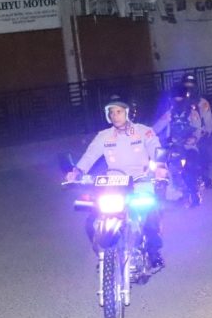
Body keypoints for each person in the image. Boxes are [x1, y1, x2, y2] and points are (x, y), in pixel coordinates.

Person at [67, 97, 167, 272]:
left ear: (127, 113)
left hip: (140, 182)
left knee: (150, 214)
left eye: (119, 111)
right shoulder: (104, 136)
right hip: (113, 184)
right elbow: (90, 155)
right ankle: (104, 256)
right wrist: (77, 171)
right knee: (93, 220)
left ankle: (153, 252)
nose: (115, 115)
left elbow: (156, 149)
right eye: (111, 112)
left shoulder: (144, 132)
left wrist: (159, 167)